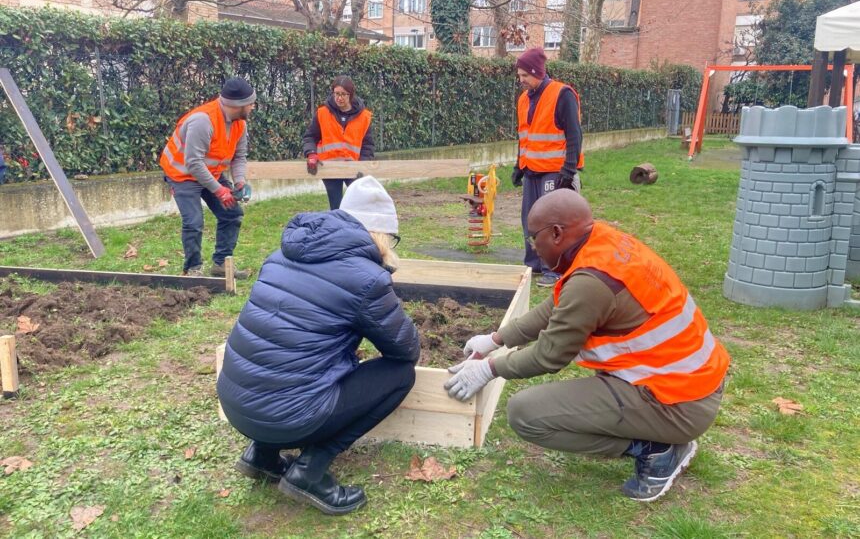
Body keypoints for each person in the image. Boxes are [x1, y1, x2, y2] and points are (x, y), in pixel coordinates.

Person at [444, 189, 730, 502]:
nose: (533, 247)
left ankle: (657, 450)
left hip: (677, 404)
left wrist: (488, 369)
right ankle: (656, 436)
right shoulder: (601, 242)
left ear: (556, 233)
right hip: (686, 385)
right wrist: (496, 339)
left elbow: (549, 355)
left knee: (525, 414)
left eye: (534, 238)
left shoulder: (591, 283)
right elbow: (557, 306)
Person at [217, 175, 419, 516]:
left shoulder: (280, 254)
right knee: (401, 374)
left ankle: (261, 454)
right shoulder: (366, 278)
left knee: (287, 355)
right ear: (381, 235)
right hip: (287, 417)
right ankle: (309, 471)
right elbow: (406, 349)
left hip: (237, 404)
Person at [159, 76, 255, 278]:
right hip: (182, 175)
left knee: (232, 214)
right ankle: (193, 269)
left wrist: (239, 182)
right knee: (193, 222)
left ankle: (221, 265)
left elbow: (239, 157)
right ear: (238, 105)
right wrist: (219, 190)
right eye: (251, 103)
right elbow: (193, 163)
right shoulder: (203, 121)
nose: (253, 107)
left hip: (211, 173)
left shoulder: (240, 124)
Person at [511, 47, 584, 288]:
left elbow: (574, 135)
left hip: (555, 170)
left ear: (537, 72)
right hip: (531, 169)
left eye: (524, 75)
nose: (521, 80)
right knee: (530, 219)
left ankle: (555, 269)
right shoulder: (524, 100)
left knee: (551, 222)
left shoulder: (562, 94)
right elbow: (524, 137)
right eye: (519, 75)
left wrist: (569, 170)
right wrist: (518, 166)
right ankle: (534, 263)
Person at [302, 75, 375, 210]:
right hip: (329, 167)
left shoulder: (364, 117)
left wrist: (363, 165)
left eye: (343, 94)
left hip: (354, 167)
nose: (339, 98)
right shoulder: (322, 113)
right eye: (336, 94)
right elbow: (310, 137)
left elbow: (367, 145)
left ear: (351, 95)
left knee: (357, 205)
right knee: (336, 207)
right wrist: (311, 153)